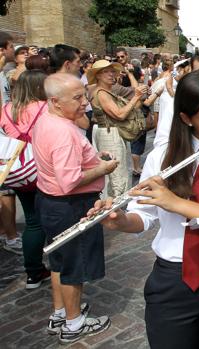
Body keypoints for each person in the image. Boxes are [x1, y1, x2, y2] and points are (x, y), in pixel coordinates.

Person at [90, 69, 199, 348]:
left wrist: (176, 202)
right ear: (186, 118)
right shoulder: (161, 157)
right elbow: (143, 217)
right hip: (172, 281)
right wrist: (120, 220)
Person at [33, 73, 118, 344]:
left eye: (84, 95)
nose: (85, 102)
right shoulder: (63, 132)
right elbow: (69, 180)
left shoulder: (47, 119)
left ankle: (61, 313)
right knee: (74, 265)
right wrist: (102, 168)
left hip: (50, 201)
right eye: (78, 98)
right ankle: (74, 323)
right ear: (56, 102)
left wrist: (93, 158)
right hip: (70, 206)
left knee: (59, 261)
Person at [0, 70, 50, 289]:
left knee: (31, 220)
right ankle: (57, 264)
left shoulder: (7, 109)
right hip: (40, 167)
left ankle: (33, 272)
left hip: (18, 170)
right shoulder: (44, 108)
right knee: (47, 220)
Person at [89, 59, 146, 197]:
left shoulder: (106, 91)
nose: (111, 74)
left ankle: (116, 206)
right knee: (117, 174)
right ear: (97, 75)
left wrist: (139, 97)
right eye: (105, 72)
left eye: (112, 71)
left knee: (117, 172)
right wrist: (137, 96)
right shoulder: (101, 93)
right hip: (109, 133)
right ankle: (116, 208)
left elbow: (128, 110)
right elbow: (120, 115)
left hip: (112, 132)